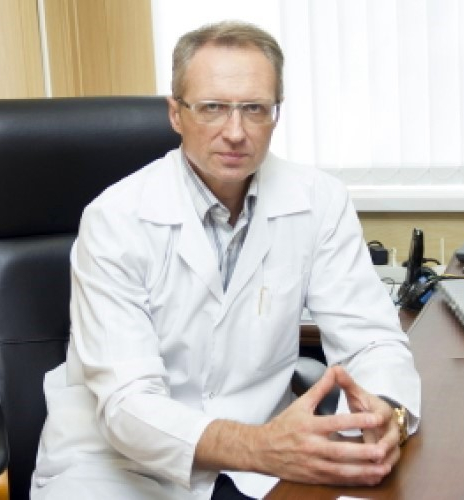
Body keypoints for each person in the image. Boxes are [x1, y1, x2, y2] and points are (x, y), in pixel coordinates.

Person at [31, 20, 421, 500]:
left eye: (254, 109)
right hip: (115, 467)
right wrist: (259, 446)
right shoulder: (114, 219)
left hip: (257, 466)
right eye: (212, 107)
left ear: (275, 114)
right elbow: (127, 403)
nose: (235, 132)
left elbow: (371, 339)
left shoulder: (319, 201)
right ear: (176, 114)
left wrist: (386, 411)